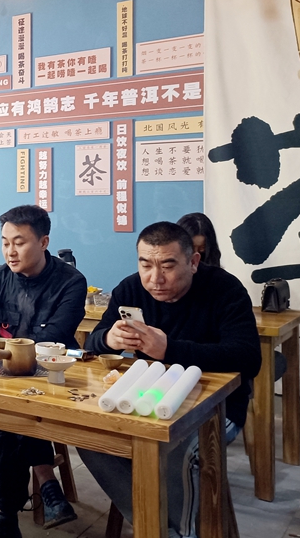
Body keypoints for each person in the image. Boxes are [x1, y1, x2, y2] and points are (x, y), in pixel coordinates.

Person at [79, 221, 261, 538]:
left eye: (167, 266)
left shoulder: (225, 289)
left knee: (180, 451)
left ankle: (175, 530)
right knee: (90, 438)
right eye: (145, 265)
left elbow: (248, 358)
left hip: (217, 407)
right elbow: (93, 343)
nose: (155, 278)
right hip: (147, 399)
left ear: (193, 261)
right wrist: (109, 338)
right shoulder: (130, 290)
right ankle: (164, 528)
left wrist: (170, 349)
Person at [0, 205, 87, 535]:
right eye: (5, 243)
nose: (10, 251)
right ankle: (45, 480)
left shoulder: (70, 282)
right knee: (12, 409)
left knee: (11, 417)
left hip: (50, 375)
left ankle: (7, 514)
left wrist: (10, 353)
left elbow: (57, 336)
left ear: (44, 242)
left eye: (19, 242)